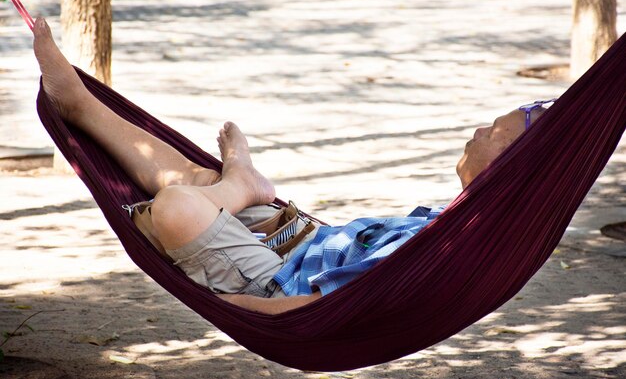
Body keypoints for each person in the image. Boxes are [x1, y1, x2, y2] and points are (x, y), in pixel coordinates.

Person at [32, 17, 548, 315]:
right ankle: (83, 108)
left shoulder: (441, 249)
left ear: (506, 169)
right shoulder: (444, 223)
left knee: (179, 209)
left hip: (275, 281)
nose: (479, 130)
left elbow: (307, 313)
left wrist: (223, 307)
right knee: (191, 179)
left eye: (493, 132)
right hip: (298, 236)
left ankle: (239, 184)